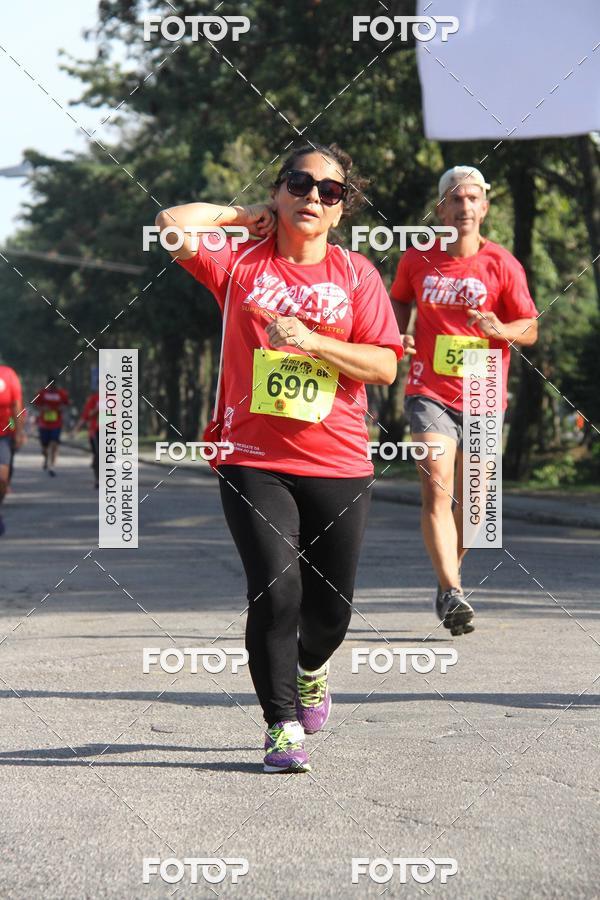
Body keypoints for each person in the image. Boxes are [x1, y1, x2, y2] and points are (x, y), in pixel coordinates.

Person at [156, 143, 412, 773]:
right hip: (251, 456)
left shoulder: (357, 276)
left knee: (330, 613)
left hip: (339, 461)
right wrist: (243, 214)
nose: (313, 197)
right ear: (280, 191)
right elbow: (169, 225)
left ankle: (312, 668)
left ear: (341, 209)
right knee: (276, 590)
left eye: (330, 192)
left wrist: (313, 341)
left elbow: (383, 362)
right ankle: (280, 727)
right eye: (299, 184)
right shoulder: (240, 263)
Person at [390, 166, 538, 636]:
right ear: (441, 210)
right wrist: (396, 336)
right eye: (455, 199)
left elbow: (530, 328)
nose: (465, 207)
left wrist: (501, 328)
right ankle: (453, 591)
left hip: (482, 386)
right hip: (428, 387)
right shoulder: (416, 259)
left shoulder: (502, 264)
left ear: (485, 208)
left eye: (473, 199)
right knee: (436, 483)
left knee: (475, 509)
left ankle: (446, 580)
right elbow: (398, 305)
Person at [0, 365, 26, 535]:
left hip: (3, 432)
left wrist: (19, 432)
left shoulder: (8, 374)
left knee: (2, 479)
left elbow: (16, 405)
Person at [33, 377, 70, 476]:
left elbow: (66, 404)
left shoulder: (61, 393)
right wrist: (42, 408)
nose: (52, 386)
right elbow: (35, 404)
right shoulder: (42, 393)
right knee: (44, 446)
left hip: (56, 423)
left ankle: (52, 466)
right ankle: (46, 458)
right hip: (44, 423)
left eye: (53, 384)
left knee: (54, 443)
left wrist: (61, 408)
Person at [75, 390, 100, 488]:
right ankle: (97, 480)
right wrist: (96, 410)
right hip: (96, 431)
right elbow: (87, 415)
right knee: (98, 455)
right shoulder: (94, 399)